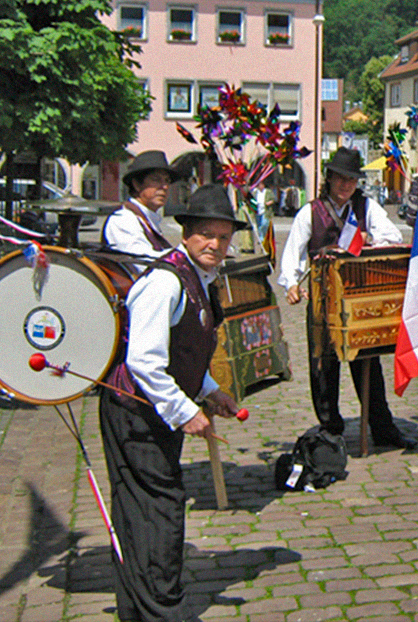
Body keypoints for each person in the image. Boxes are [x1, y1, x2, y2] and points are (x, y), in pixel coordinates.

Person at [100, 184, 243, 622]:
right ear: (187, 233)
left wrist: (208, 390)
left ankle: (142, 609)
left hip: (156, 410)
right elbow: (144, 361)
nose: (215, 244)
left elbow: (182, 349)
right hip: (133, 411)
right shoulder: (165, 281)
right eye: (206, 234)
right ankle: (161, 610)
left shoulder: (200, 278)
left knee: (148, 509)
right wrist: (184, 412)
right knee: (157, 509)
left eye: (223, 237)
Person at [278, 146, 416, 450]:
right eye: (340, 178)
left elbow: (393, 237)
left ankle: (382, 428)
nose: (345, 185)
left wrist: (368, 240)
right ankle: (330, 429)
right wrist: (291, 284)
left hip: (358, 298)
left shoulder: (367, 207)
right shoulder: (310, 212)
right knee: (323, 367)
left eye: (351, 180)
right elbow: (292, 253)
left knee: (368, 365)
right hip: (322, 300)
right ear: (329, 178)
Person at [102, 150, 180, 271]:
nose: (164, 186)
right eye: (156, 179)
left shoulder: (148, 218)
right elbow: (142, 261)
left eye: (167, 181)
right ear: (137, 184)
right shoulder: (123, 219)